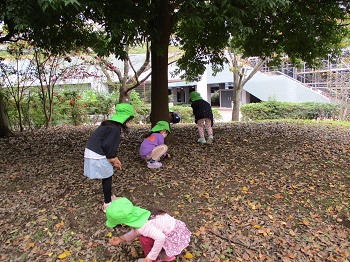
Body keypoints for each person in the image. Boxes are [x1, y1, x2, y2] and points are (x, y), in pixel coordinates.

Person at [84, 103, 135, 212]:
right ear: (126, 117)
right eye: (130, 118)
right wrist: (113, 159)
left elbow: (107, 146)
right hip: (96, 154)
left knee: (107, 174)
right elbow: (109, 146)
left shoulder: (109, 124)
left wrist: (113, 159)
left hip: (93, 151)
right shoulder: (114, 128)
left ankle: (110, 197)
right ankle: (107, 204)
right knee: (107, 176)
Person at [106, 197, 191, 262]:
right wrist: (121, 239)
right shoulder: (140, 214)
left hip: (173, 239)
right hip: (176, 231)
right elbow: (136, 231)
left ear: (122, 223)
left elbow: (160, 237)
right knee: (145, 236)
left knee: (144, 239)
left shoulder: (144, 226)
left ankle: (156, 259)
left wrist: (151, 257)